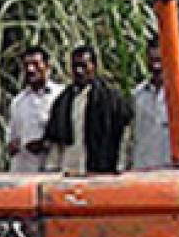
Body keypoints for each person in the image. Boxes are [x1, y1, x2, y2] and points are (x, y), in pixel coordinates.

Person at [44, 45, 132, 175]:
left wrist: (121, 166)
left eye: (83, 66)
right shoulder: (63, 101)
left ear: (94, 66)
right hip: (70, 169)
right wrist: (52, 168)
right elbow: (56, 140)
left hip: (101, 171)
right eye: (75, 66)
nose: (79, 71)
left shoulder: (111, 99)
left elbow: (124, 133)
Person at [129, 36, 179, 170]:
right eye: (152, 60)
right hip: (142, 169)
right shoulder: (138, 94)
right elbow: (131, 135)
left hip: (173, 171)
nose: (156, 66)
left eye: (160, 60)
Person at [6, 46, 62, 173]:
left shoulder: (60, 96)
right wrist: (14, 145)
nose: (30, 69)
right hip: (24, 171)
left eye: (35, 64)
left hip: (53, 170)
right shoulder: (18, 102)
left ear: (47, 66)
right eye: (26, 65)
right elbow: (11, 139)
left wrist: (44, 144)